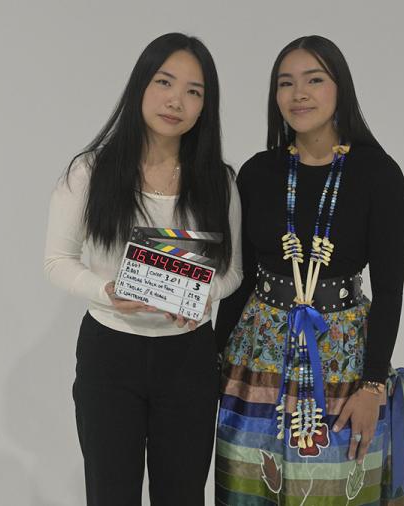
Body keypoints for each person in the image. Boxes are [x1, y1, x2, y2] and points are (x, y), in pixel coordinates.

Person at [214, 35, 404, 505]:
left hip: (342, 356)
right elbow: (239, 278)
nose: (298, 94)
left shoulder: (379, 175)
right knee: (248, 486)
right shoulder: (259, 172)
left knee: (334, 488)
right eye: (286, 84)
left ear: (339, 89)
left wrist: (371, 386)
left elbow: (390, 291)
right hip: (256, 357)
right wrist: (211, 362)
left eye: (314, 80)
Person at [44, 33, 242, 506]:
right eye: (165, 82)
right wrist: (105, 289)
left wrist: (203, 295)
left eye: (195, 91)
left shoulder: (219, 180)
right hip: (109, 354)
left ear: (204, 108)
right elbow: (57, 261)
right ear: (140, 87)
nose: (177, 100)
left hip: (188, 357)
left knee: (183, 496)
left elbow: (232, 271)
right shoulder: (90, 173)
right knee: (111, 495)